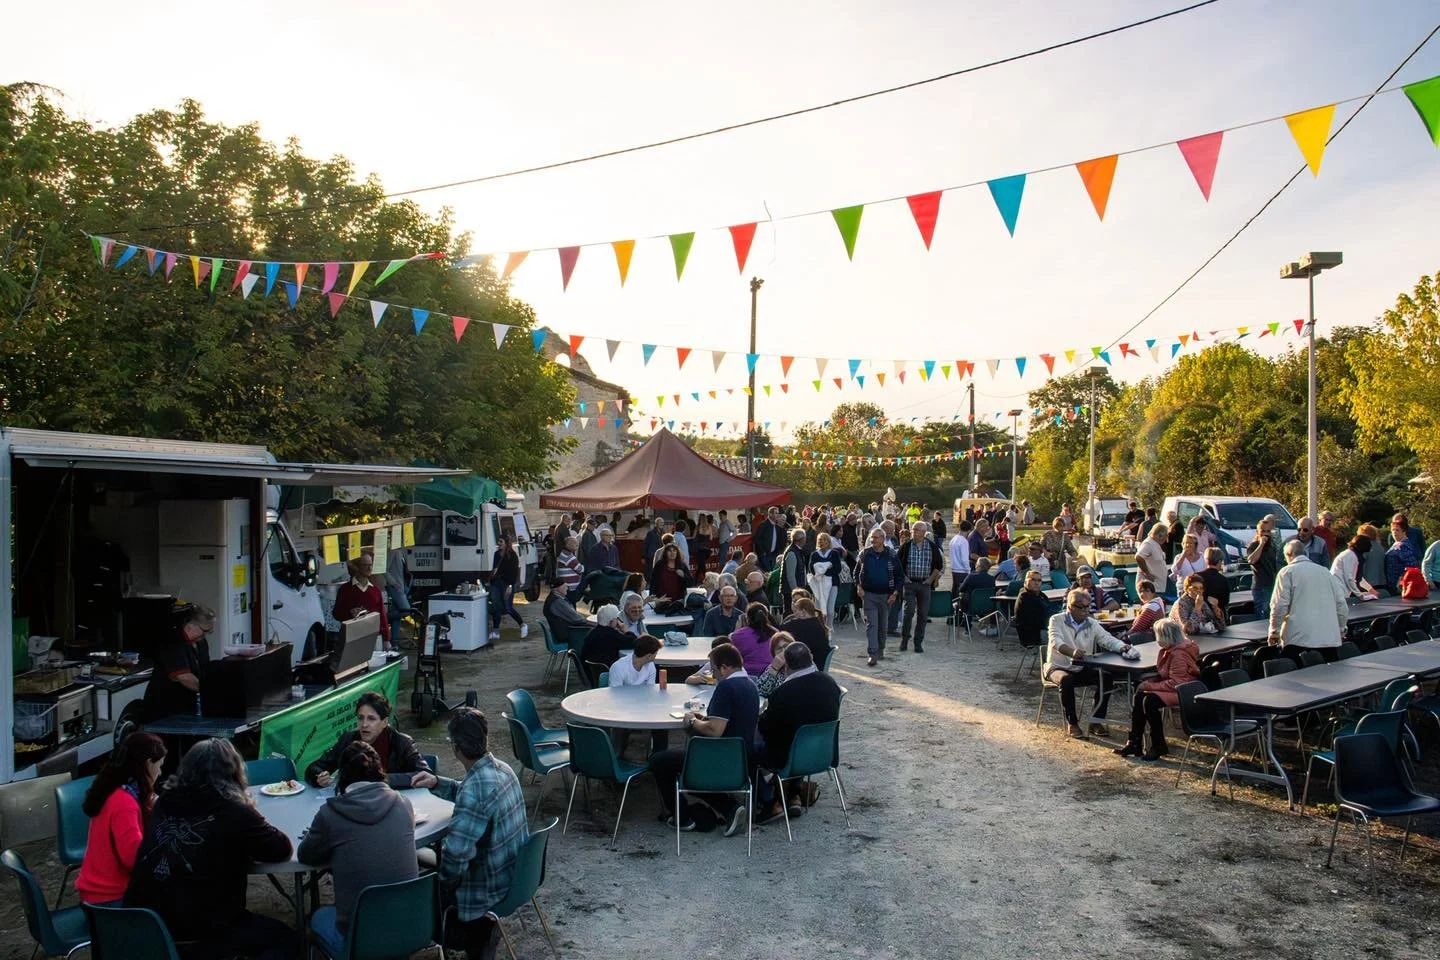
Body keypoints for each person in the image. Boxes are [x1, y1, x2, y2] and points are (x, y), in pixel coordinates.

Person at [125, 739, 295, 960]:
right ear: (233, 773)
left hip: (148, 925)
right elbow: (281, 849)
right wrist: (249, 809)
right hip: (205, 932)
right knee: (288, 941)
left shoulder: (164, 801)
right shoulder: (233, 810)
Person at [299, 741, 419, 956]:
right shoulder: (403, 803)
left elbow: (305, 855)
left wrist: (315, 835)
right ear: (380, 771)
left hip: (359, 938)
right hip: (410, 926)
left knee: (315, 917)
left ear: (342, 776)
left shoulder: (330, 814)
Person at [433, 708, 529, 960]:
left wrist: (439, 886)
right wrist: (436, 783)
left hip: (488, 889)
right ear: (485, 739)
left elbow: (455, 857)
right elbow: (475, 798)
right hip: (516, 876)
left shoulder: (475, 789)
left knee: (425, 886)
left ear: (455, 748)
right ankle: (481, 934)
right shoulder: (502, 769)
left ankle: (472, 936)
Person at [650, 643, 759, 836]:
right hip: (741, 760)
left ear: (725, 667)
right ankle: (729, 808)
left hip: (717, 759)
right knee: (688, 766)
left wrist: (692, 721)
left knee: (659, 760)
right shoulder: (750, 684)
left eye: (714, 669)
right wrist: (704, 721)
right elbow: (729, 721)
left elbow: (715, 730)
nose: (713, 675)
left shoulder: (726, 687)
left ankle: (681, 816)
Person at [755, 642, 843, 823]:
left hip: (789, 760)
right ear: (811, 659)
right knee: (796, 739)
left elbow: (765, 729)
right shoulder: (830, 683)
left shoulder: (783, 693)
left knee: (750, 751)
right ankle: (793, 794)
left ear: (786, 665)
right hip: (824, 754)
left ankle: (772, 802)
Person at [77, 732, 166, 906]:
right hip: (109, 898)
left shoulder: (113, 788)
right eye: (160, 766)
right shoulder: (124, 804)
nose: (160, 773)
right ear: (148, 763)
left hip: (97, 892)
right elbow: (133, 859)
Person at [1045, 589, 1133, 739]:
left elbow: (1106, 639)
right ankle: (1072, 722)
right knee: (1066, 680)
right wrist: (1071, 652)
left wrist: (1122, 646)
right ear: (1070, 607)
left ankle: (1096, 720)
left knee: (1106, 677)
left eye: (1088, 606)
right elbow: (1055, 642)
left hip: (1081, 666)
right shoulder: (1056, 619)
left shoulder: (1092, 623)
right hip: (1057, 666)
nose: (1085, 610)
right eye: (1081, 607)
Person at [305, 692, 437, 789]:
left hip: (393, 802)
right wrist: (318, 777)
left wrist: (379, 780)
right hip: (354, 803)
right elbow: (314, 768)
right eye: (361, 718)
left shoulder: (402, 742)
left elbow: (427, 775)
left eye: (371, 719)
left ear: (384, 722)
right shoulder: (348, 739)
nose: (364, 725)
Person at [1114, 620, 1200, 761]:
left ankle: (1158, 744)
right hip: (1177, 687)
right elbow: (1165, 675)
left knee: (1150, 702)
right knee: (1139, 696)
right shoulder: (1171, 649)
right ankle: (1134, 741)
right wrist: (1148, 683)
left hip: (1184, 691)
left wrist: (1149, 685)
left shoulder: (1178, 654)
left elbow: (1177, 682)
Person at [1269, 538, 1348, 659]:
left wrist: (1274, 631)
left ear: (1289, 555)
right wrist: (1341, 628)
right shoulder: (1325, 572)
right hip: (1328, 637)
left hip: (1298, 639)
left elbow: (1279, 605)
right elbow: (1341, 604)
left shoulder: (1286, 572)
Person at [142, 603, 214, 721]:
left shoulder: (201, 643)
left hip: (186, 706)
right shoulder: (172, 642)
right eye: (205, 631)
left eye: (210, 632)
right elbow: (185, 677)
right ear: (190, 626)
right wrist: (211, 692)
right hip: (164, 709)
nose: (206, 635)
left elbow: (205, 669)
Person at [858, 527, 902, 667]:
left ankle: (880, 650)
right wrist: (858, 586)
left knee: (883, 626)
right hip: (869, 595)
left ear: (883, 539)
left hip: (886, 596)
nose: (872, 540)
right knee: (872, 625)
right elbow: (856, 572)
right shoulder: (865, 554)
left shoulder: (891, 555)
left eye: (876, 537)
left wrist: (895, 593)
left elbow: (899, 576)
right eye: (871, 537)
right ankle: (872, 654)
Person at [897, 521, 942, 653]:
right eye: (913, 530)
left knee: (923, 614)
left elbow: (938, 566)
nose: (913, 532)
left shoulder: (932, 547)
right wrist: (904, 577)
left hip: (924, 584)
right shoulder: (906, 546)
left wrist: (930, 580)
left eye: (917, 530)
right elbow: (898, 564)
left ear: (923, 532)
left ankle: (918, 642)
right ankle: (904, 640)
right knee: (909, 612)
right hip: (910, 584)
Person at [334, 553, 391, 650]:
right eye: (365, 565)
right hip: (352, 638)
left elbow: (382, 616)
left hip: (373, 637)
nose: (369, 568)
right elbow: (336, 614)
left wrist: (386, 639)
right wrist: (349, 613)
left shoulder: (375, 590)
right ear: (357, 567)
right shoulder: (345, 589)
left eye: (371, 565)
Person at [487, 533, 526, 641]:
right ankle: (495, 631)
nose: (498, 544)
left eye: (501, 542)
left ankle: (522, 624)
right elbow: (495, 568)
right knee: (496, 606)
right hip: (496, 582)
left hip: (507, 583)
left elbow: (513, 573)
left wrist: (510, 586)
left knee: (508, 607)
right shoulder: (496, 554)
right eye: (498, 542)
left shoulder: (512, 556)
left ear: (506, 543)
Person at [782, 595, 833, 672]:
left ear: (803, 612)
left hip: (811, 667)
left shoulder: (800, 625)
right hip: (820, 664)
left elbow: (779, 629)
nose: (794, 615)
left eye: (796, 611)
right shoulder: (819, 623)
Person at [580, 604, 630, 682]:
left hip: (590, 673)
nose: (618, 621)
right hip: (607, 674)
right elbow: (633, 642)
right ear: (611, 621)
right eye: (617, 619)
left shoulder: (593, 632)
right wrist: (626, 630)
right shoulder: (611, 634)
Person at [1246, 514, 1283, 618]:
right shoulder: (1253, 546)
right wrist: (1261, 544)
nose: (1266, 534)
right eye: (1263, 531)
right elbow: (1251, 560)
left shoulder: (1272, 546)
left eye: (1268, 531)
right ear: (1258, 532)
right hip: (1260, 586)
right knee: (1263, 614)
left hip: (1272, 585)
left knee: (1271, 614)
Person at [730, 603, 779, 676]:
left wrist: (736, 631)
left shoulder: (738, 635)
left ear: (747, 618)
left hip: (748, 675)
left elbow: (733, 657)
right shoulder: (776, 633)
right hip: (771, 674)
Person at [807, 532, 844, 623]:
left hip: (833, 584)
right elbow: (811, 568)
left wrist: (823, 571)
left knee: (830, 611)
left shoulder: (834, 553)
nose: (822, 542)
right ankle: (820, 629)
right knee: (819, 610)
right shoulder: (814, 554)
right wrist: (824, 569)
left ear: (828, 542)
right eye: (820, 540)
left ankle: (829, 629)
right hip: (818, 583)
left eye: (824, 539)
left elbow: (837, 569)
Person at [1331, 535, 1380, 601]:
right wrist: (1359, 595)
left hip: (1341, 591)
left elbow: (1357, 576)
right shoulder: (1350, 555)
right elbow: (1349, 578)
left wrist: (1370, 589)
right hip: (1338, 591)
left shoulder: (1352, 555)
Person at [1013, 569, 1051, 653]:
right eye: (1033, 580)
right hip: (1033, 635)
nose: (1036, 583)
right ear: (1026, 581)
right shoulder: (1025, 597)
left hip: (1042, 629)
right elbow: (1039, 620)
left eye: (1039, 580)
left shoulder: (1040, 595)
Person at [753, 631, 797, 698]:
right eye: (779, 649)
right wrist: (774, 669)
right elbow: (760, 691)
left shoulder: (802, 660)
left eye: (786, 646)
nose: (784, 651)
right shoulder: (772, 668)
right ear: (774, 654)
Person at [1121, 579, 1166, 644]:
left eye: (1147, 591)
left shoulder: (1151, 607)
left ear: (1153, 593)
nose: (1143, 594)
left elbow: (1137, 628)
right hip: (1156, 636)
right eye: (1140, 591)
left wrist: (1122, 636)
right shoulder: (1158, 602)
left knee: (1122, 639)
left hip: (1152, 637)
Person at [1384, 516, 1421, 595]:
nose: (1394, 532)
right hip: (1392, 584)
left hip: (1400, 586)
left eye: (1397, 530)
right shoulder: (1396, 543)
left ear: (1404, 532)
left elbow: (1411, 566)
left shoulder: (1404, 546)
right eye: (1393, 530)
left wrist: (1401, 582)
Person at [1135, 522, 1171, 597]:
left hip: (1157, 587)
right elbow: (1138, 557)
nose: (1166, 538)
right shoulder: (1148, 544)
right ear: (1160, 535)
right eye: (1166, 536)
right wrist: (1147, 573)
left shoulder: (1155, 544)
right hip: (1149, 587)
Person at [1357, 522, 1389, 597]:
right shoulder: (1380, 547)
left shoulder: (1364, 547)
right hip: (1381, 583)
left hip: (1368, 585)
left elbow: (1361, 568)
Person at [1197, 547, 1231, 613]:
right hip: (1217, 614)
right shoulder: (1223, 580)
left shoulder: (1197, 577)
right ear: (1219, 561)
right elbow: (1225, 602)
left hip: (1200, 613)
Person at [754, 507, 785, 572]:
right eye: (776, 513)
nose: (778, 515)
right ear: (770, 514)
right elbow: (757, 539)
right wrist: (762, 551)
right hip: (765, 554)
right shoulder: (763, 525)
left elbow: (781, 539)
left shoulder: (777, 525)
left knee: (773, 571)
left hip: (774, 554)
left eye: (778, 513)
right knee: (767, 572)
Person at [948, 524, 972, 594]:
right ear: (969, 531)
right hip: (962, 570)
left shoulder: (954, 539)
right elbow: (964, 559)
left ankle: (952, 604)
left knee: (955, 590)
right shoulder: (964, 541)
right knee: (962, 592)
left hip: (954, 568)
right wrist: (968, 570)